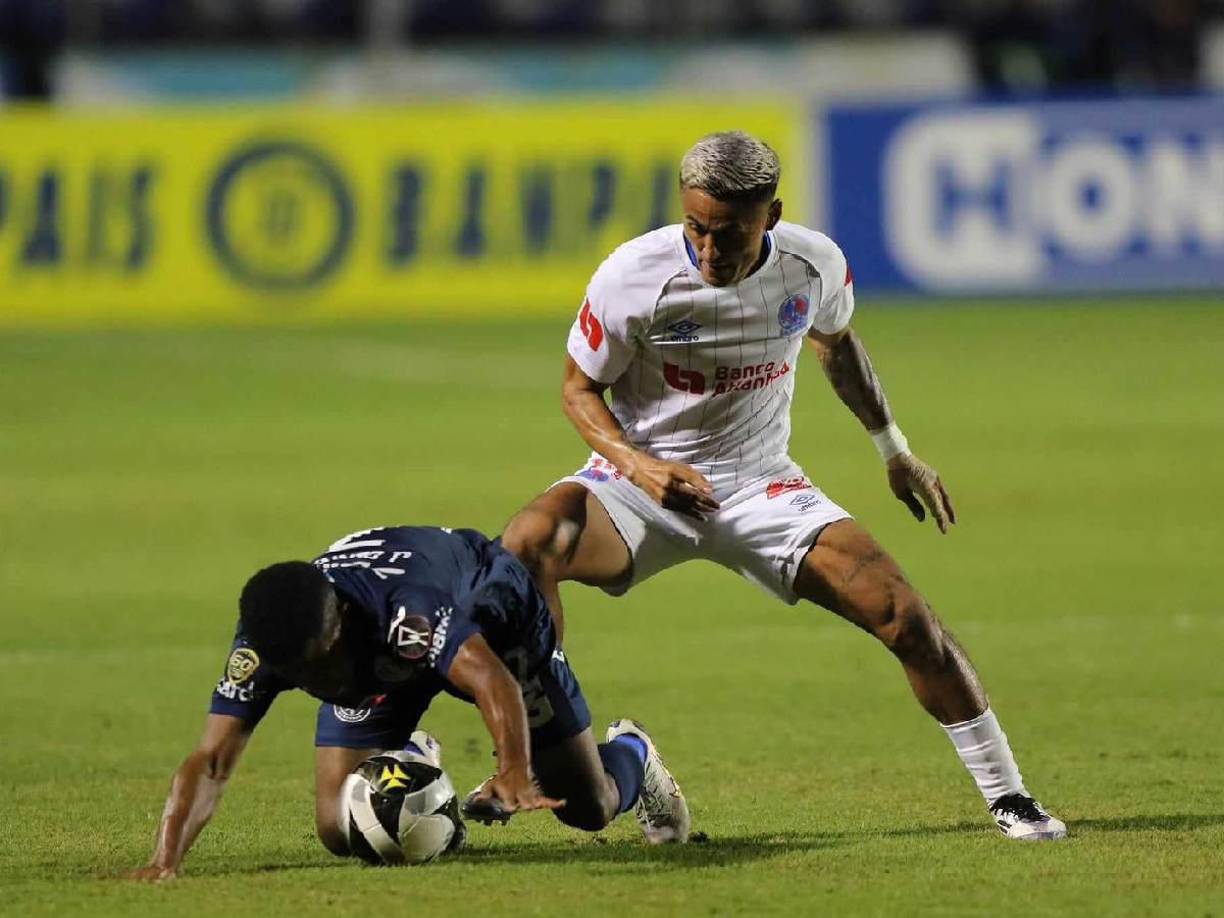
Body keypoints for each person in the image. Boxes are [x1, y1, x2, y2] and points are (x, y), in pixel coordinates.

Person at [501, 131, 1065, 841]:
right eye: (696, 229)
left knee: (906, 616)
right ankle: (552, 746)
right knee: (525, 545)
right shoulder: (631, 276)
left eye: (729, 233)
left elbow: (838, 344)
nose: (709, 251)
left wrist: (894, 449)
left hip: (763, 486)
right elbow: (579, 392)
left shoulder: (813, 264)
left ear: (770, 215)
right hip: (639, 485)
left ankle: (1009, 796)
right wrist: (641, 467)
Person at [129, 525, 689, 881]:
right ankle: (420, 775)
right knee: (340, 827)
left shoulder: (407, 611)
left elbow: (494, 681)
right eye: (300, 675)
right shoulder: (265, 639)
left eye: (322, 663)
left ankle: (635, 751)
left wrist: (513, 772)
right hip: (387, 662)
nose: (318, 683)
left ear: (341, 623)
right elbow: (213, 758)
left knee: (589, 806)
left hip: (498, 624)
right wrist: (165, 861)